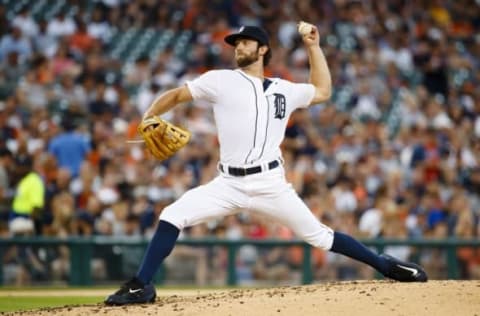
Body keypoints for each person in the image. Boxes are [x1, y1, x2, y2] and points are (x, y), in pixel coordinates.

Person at [105, 25, 427, 306]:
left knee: (320, 237)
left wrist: (314, 47)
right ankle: (141, 285)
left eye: (246, 42)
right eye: (236, 44)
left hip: (271, 183)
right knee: (172, 215)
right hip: (226, 184)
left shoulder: (284, 89)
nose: (239, 47)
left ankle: (385, 266)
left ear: (263, 50)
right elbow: (177, 95)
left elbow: (323, 91)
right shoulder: (220, 80)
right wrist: (150, 114)